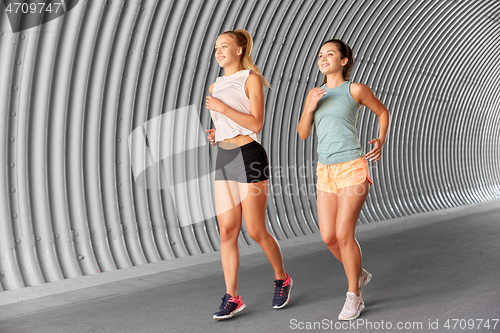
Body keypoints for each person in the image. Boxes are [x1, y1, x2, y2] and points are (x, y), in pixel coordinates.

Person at [297, 39, 389, 320]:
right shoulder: (315, 93)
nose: (323, 58)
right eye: (321, 55)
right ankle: (358, 273)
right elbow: (302, 133)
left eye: (330, 54)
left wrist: (380, 138)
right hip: (325, 171)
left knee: (343, 234)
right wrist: (310, 107)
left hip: (352, 167)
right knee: (328, 236)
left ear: (344, 61)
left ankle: (354, 296)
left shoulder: (355, 89)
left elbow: (382, 111)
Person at [206, 29, 292, 320]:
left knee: (255, 230)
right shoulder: (215, 84)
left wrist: (222, 108)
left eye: (225, 46)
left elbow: (256, 122)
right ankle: (233, 297)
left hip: (249, 155)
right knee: (227, 231)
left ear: (239, 50)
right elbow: (228, 124)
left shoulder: (250, 78)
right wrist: (217, 132)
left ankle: (282, 279)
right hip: (225, 157)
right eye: (217, 47)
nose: (218, 52)